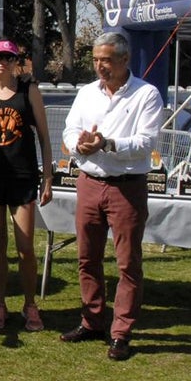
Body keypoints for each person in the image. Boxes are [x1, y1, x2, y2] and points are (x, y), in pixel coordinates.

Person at [60, 31, 163, 361]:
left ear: (124, 59)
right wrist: (80, 144)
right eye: (95, 59)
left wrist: (107, 143)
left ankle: (121, 332)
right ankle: (91, 321)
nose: (99, 66)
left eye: (105, 59)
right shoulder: (87, 93)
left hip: (126, 187)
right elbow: (69, 129)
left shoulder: (146, 94)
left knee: (127, 263)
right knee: (87, 257)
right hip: (89, 181)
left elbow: (146, 142)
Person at [0, 38, 54, 332]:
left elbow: (44, 135)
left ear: (15, 60)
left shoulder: (28, 90)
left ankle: (30, 305)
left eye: (8, 57)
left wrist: (47, 177)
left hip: (23, 177)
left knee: (25, 247)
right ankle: (0, 304)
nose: (2, 62)